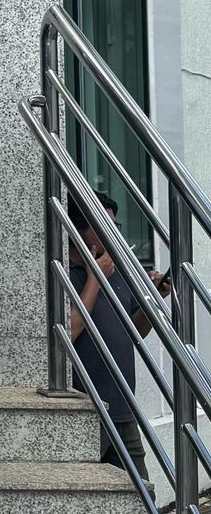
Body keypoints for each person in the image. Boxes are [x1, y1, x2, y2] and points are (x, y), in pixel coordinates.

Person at [68, 191, 170, 486]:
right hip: (88, 407)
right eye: (102, 225)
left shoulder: (117, 272)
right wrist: (95, 278)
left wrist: (155, 298)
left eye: (115, 225)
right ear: (78, 229)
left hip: (123, 405)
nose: (111, 233)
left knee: (141, 494)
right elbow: (71, 329)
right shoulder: (65, 271)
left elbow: (135, 329)